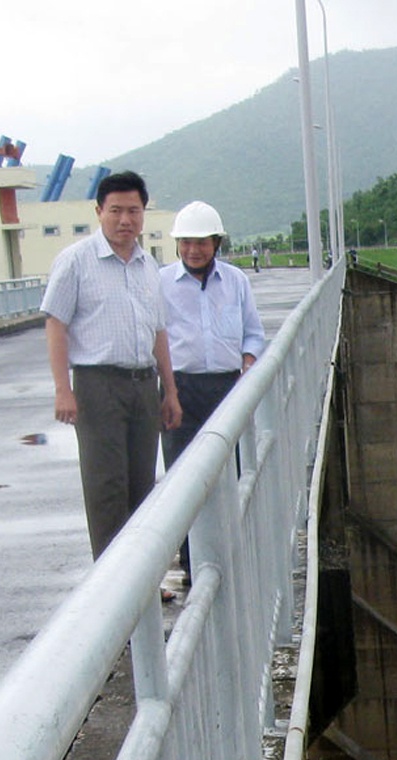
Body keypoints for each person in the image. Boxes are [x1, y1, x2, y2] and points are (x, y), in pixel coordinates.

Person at [41, 170, 182, 564]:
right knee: (107, 489)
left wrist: (169, 391)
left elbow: (158, 332)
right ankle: (110, 587)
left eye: (134, 211)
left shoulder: (147, 266)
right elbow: (56, 324)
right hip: (97, 385)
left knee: (141, 486)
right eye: (116, 210)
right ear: (99, 211)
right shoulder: (75, 262)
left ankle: (141, 583)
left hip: (143, 384)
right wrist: (62, 389)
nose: (125, 220)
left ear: (144, 213)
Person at [161, 200, 265, 584]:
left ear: (216, 243)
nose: (193, 250)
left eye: (201, 242)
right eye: (186, 242)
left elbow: (253, 332)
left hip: (226, 387)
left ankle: (228, 558)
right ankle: (192, 564)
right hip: (179, 390)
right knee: (183, 481)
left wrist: (249, 361)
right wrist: (167, 389)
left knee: (229, 475)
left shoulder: (236, 281)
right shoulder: (161, 284)